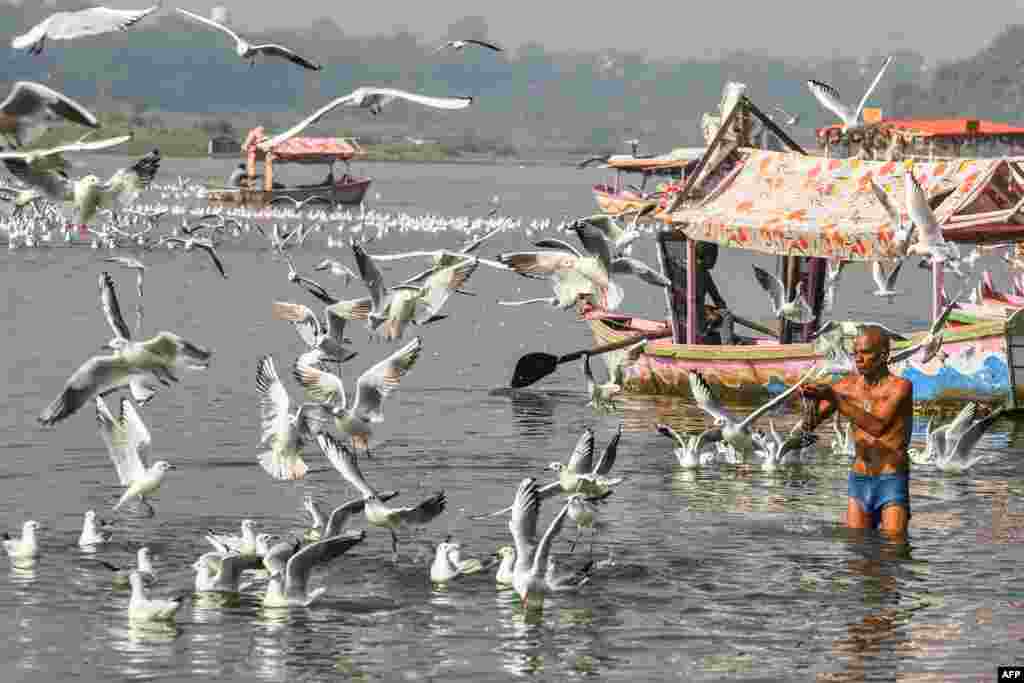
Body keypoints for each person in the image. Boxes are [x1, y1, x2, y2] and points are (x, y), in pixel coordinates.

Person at [798, 325, 913, 537]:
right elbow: (808, 425)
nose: (858, 358)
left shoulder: (901, 387)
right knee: (856, 549)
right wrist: (810, 401)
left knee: (894, 550)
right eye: (855, 353)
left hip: (891, 479)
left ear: (883, 356)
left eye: (865, 352)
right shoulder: (845, 387)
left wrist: (834, 398)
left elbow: (877, 426)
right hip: (859, 479)